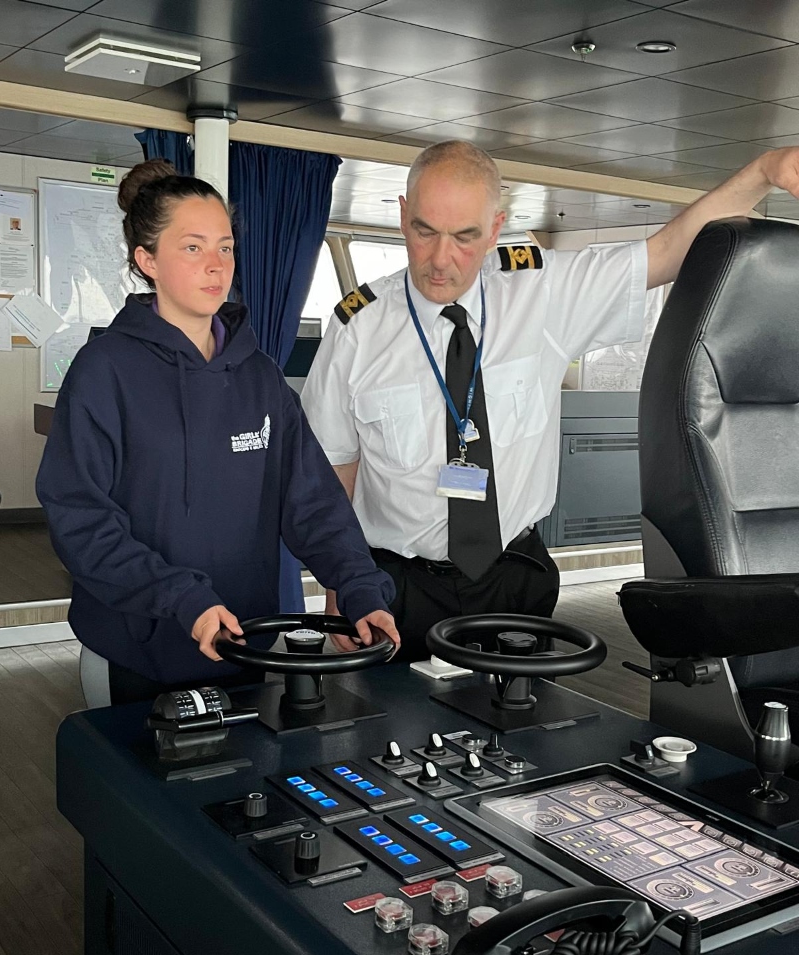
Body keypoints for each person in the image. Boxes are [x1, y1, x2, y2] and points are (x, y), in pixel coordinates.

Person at [302, 139, 799, 663]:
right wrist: (342, 579)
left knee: (522, 736)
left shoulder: (542, 292)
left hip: (513, 579)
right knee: (389, 736)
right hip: (396, 585)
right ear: (403, 215)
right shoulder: (358, 328)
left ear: (496, 227)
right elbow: (338, 465)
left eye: (465, 236)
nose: (441, 259)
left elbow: (668, 250)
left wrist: (766, 169)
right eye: (424, 231)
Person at [37, 159, 399, 705]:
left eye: (225, 247)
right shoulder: (103, 371)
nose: (216, 265)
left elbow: (313, 501)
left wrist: (358, 588)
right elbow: (80, 519)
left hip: (244, 643)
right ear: (147, 260)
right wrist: (181, 597)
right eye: (193, 247)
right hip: (138, 648)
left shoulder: (259, 377)